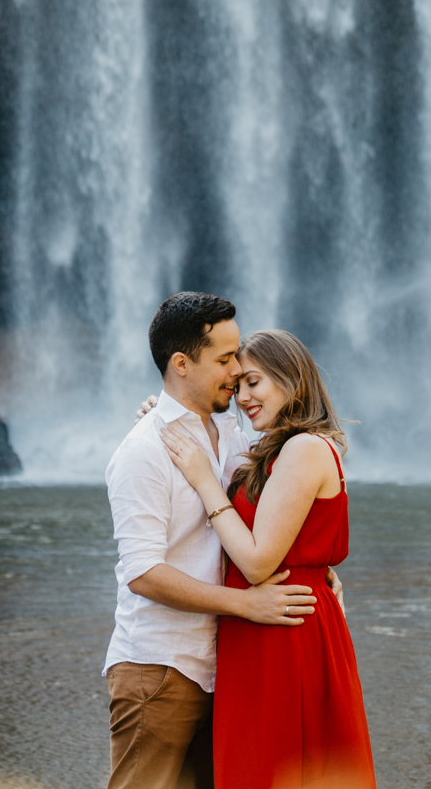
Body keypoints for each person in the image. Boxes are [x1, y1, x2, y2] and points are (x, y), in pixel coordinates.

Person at [103, 292, 324, 789]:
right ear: (181, 364)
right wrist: (247, 605)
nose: (236, 371)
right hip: (160, 667)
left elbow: (274, 516)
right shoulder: (143, 451)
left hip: (226, 670)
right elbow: (142, 573)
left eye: (237, 356)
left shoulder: (236, 434)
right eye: (225, 360)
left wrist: (318, 567)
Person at [160, 327, 376, 789]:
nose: (242, 397)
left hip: (284, 630)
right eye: (238, 387)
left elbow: (258, 563)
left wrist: (204, 481)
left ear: (291, 378)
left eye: (254, 382)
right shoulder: (275, 449)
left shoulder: (303, 449)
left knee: (276, 765)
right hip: (265, 623)